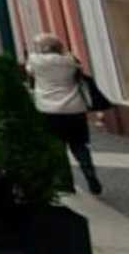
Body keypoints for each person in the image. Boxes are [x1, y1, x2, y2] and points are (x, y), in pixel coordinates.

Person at [26, 33, 102, 195]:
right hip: (75, 108)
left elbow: (30, 72)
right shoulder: (70, 61)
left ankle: (65, 183)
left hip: (49, 110)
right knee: (79, 145)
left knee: (57, 147)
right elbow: (79, 71)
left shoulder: (35, 61)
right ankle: (90, 174)